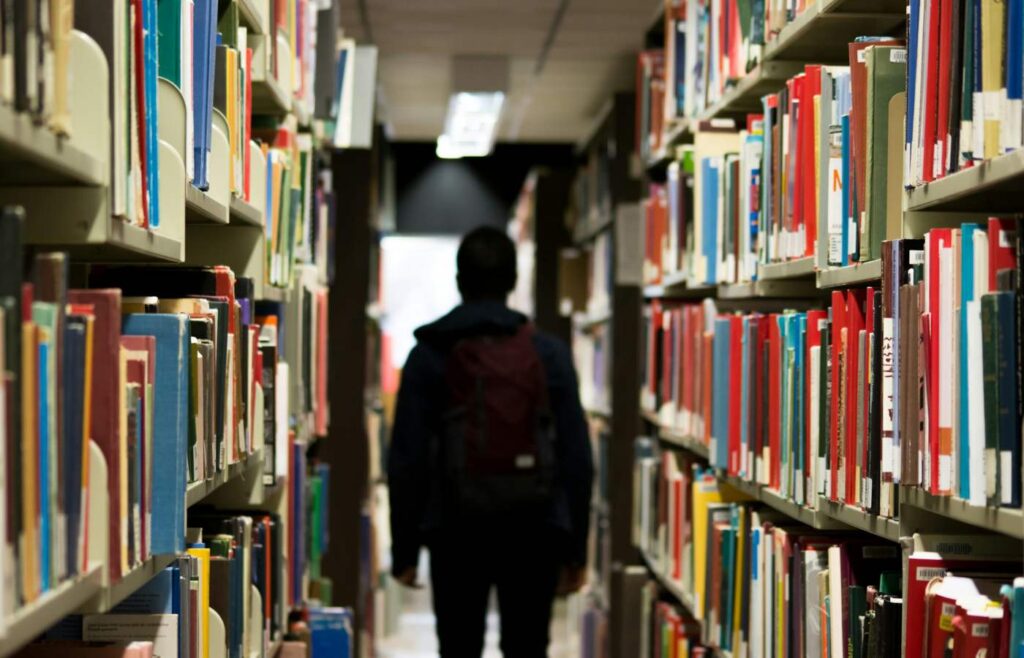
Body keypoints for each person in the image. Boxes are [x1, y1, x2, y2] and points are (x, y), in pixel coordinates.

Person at [388, 226, 594, 658]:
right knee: (527, 646)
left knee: (459, 645)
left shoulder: (429, 353)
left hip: (454, 527)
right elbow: (577, 455)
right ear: (513, 280)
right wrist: (574, 549)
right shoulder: (548, 353)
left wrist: (404, 548)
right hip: (533, 527)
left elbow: (407, 457)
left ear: (459, 280)